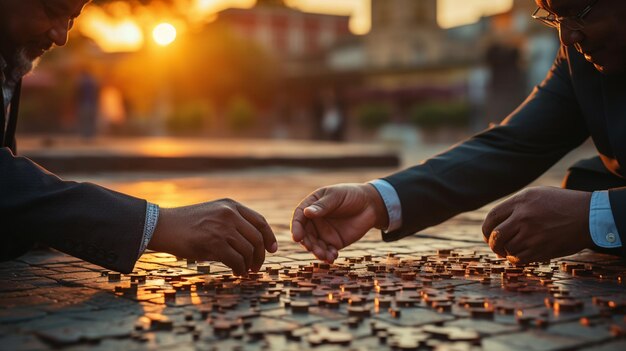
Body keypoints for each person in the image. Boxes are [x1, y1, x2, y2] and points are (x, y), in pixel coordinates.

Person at [291, 0, 626, 265]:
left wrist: (596, 215)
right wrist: (376, 199)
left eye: (579, 12)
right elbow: (514, 144)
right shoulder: (580, 55)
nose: (566, 36)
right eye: (553, 16)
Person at [0, 0, 278, 276]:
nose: (62, 36)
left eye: (72, 18)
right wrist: (157, 224)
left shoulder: (12, 52)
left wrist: (60, 227)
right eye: (52, 11)